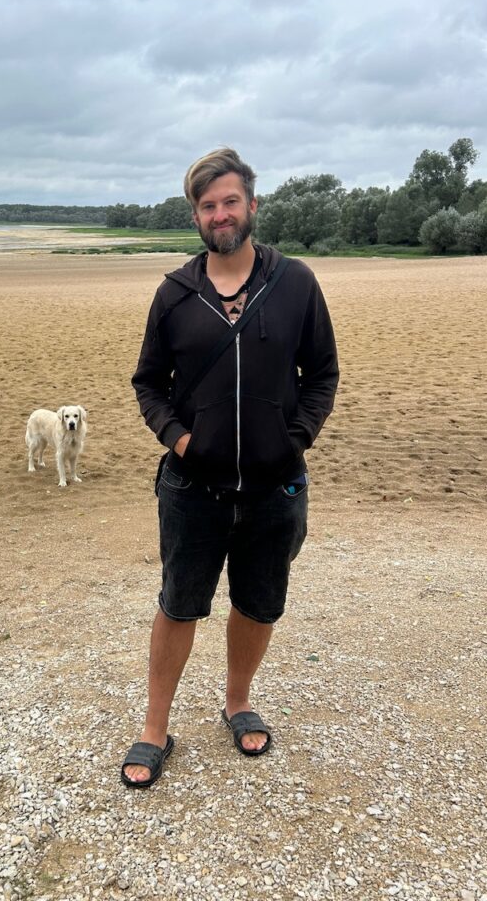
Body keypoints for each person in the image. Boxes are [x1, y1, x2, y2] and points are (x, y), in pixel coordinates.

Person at [121, 147, 339, 788]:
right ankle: (155, 725)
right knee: (179, 604)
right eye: (208, 205)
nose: (221, 214)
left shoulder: (295, 282)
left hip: (276, 486)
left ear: (251, 204)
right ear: (196, 214)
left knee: (258, 602)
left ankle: (238, 701)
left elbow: (322, 373)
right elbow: (147, 383)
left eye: (230, 201)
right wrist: (181, 440)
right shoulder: (175, 293)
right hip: (194, 487)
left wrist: (295, 435)